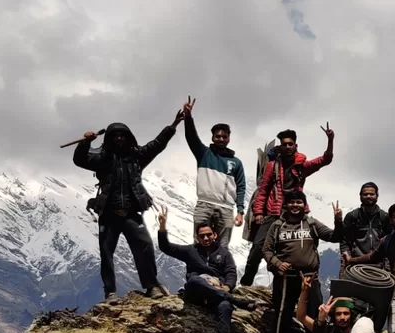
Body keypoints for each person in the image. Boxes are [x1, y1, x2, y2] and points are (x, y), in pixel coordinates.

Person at [73, 109, 184, 300]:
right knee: (106, 254)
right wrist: (85, 143)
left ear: (128, 137)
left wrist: (173, 126)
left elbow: (157, 145)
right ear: (109, 138)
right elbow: (80, 159)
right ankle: (110, 292)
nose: (119, 139)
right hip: (108, 213)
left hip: (132, 213)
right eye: (115, 136)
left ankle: (151, 286)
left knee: (145, 246)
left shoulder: (138, 156)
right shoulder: (101, 158)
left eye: (122, 135)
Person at [155, 207, 255, 333]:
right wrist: (162, 226)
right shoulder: (190, 251)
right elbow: (166, 247)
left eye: (209, 235)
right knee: (194, 280)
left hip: (217, 295)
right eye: (202, 236)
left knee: (225, 307)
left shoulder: (224, 254)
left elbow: (231, 273)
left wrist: (227, 287)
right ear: (198, 237)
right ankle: (236, 301)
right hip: (195, 294)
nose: (206, 238)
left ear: (215, 235)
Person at [240, 125, 336, 286]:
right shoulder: (273, 166)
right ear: (281, 146)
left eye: (290, 144)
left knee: (301, 247)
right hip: (274, 212)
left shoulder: (301, 166)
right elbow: (263, 190)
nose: (288, 147)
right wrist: (258, 212)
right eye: (284, 144)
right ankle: (247, 280)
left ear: (295, 146)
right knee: (258, 246)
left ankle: (302, 283)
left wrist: (330, 140)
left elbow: (324, 160)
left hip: (297, 213)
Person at [261, 190, 343, 333]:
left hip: (310, 277)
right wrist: (276, 262)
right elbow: (266, 250)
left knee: (315, 317)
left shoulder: (311, 224)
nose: (295, 205)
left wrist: (338, 220)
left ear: (304, 205)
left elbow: (335, 236)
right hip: (285, 279)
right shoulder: (277, 226)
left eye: (299, 202)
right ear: (286, 205)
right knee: (282, 317)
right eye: (292, 202)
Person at [180, 97, 247, 250]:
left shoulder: (236, 162)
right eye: (218, 136)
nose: (221, 139)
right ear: (212, 138)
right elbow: (191, 137)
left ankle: (219, 274)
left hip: (226, 208)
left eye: (224, 136)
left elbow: (241, 187)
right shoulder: (203, 154)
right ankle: (196, 273)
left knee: (222, 247)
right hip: (205, 204)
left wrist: (240, 211)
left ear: (229, 138)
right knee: (199, 243)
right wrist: (188, 117)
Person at [340, 182, 390, 265]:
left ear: (377, 196)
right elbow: (344, 240)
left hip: (379, 264)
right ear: (360, 196)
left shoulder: (384, 217)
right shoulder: (352, 216)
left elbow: (390, 240)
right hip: (356, 264)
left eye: (371, 194)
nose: (368, 196)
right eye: (365, 194)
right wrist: (346, 255)